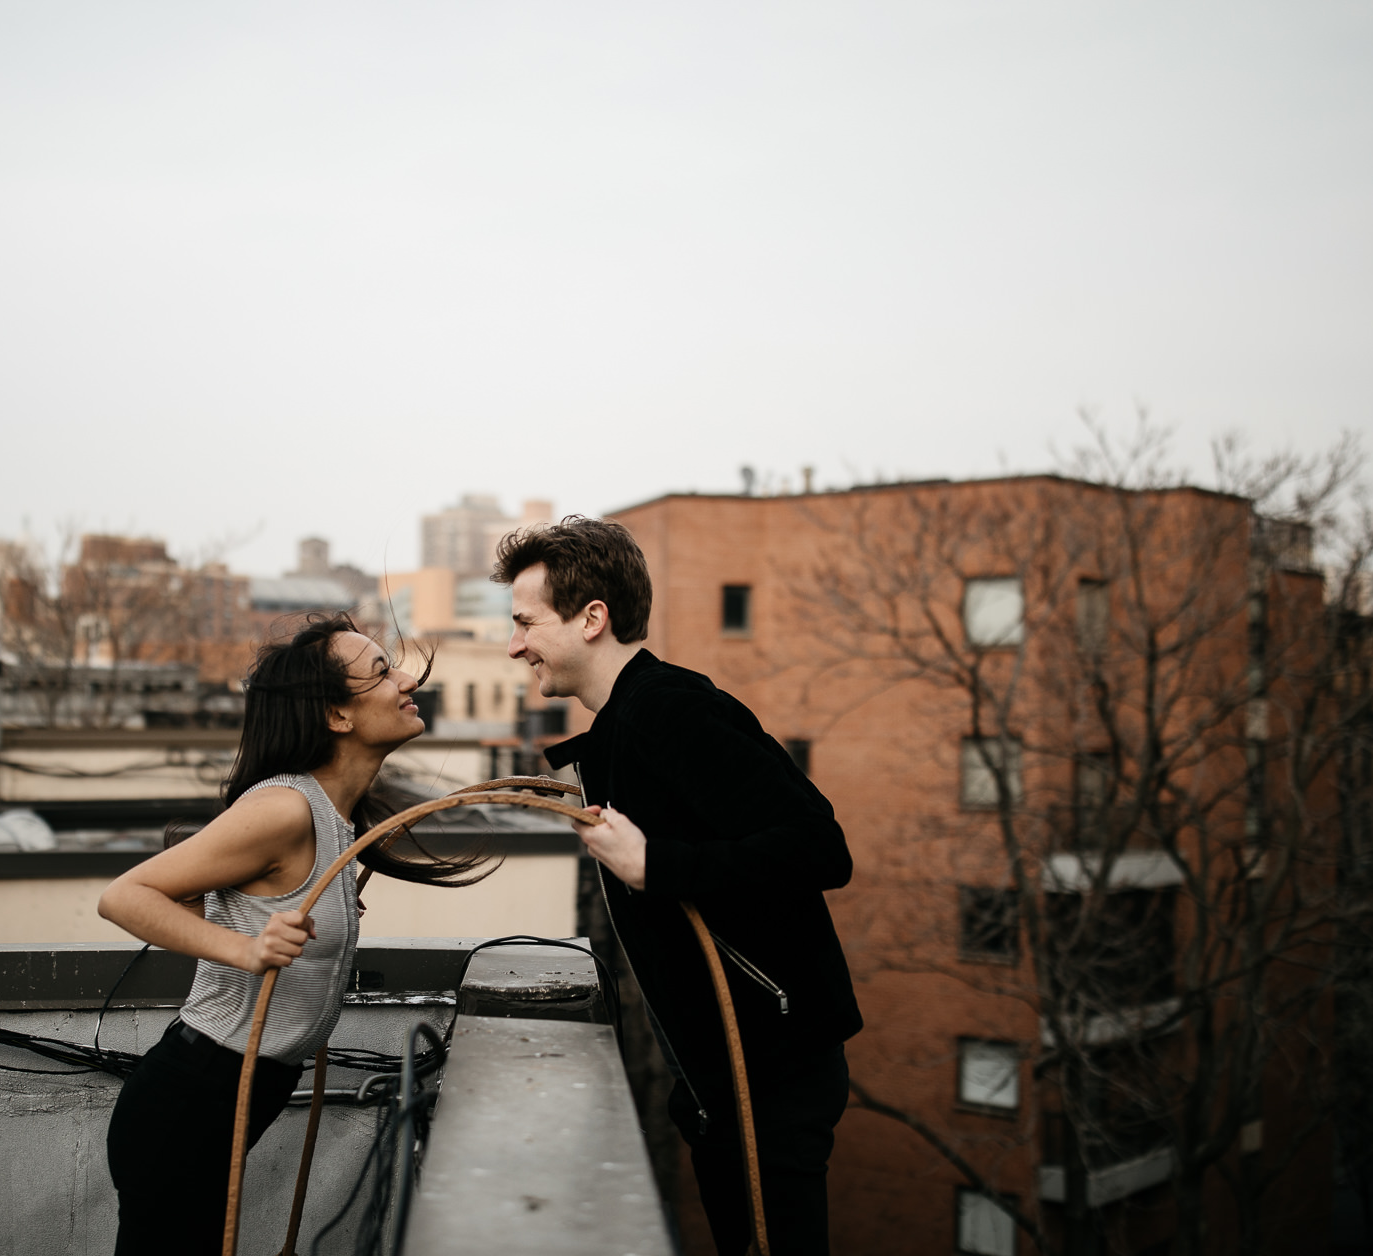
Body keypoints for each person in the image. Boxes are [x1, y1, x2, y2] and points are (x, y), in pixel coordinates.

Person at [493, 517, 861, 1256]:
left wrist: (658, 866)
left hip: (773, 1073)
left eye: (526, 622)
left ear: (592, 618)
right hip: (726, 1078)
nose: (514, 644)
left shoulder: (671, 709)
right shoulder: (625, 727)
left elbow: (821, 848)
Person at [98, 614, 487, 1256]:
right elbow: (125, 896)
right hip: (192, 1094)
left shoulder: (331, 816)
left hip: (235, 1092)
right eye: (382, 672)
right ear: (337, 716)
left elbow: (231, 900)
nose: (407, 680)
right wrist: (246, 949)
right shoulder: (284, 808)